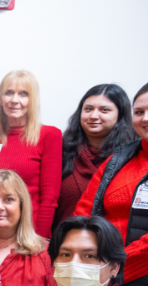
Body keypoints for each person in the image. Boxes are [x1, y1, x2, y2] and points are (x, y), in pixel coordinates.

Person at [75, 78, 148, 286]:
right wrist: (83, 259)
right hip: (103, 279)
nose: (147, 118)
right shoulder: (119, 159)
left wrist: (115, 266)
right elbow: (85, 211)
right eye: (139, 111)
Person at [0, 70, 62, 238]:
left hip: (29, 231)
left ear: (32, 100)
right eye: (9, 93)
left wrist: (39, 239)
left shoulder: (49, 135)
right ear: (1, 99)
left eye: (23, 94)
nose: (15, 100)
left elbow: (49, 198)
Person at [55, 84, 137, 229]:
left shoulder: (133, 155)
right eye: (88, 109)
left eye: (104, 110)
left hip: (113, 247)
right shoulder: (61, 151)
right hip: (62, 244)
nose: (93, 116)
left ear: (120, 115)